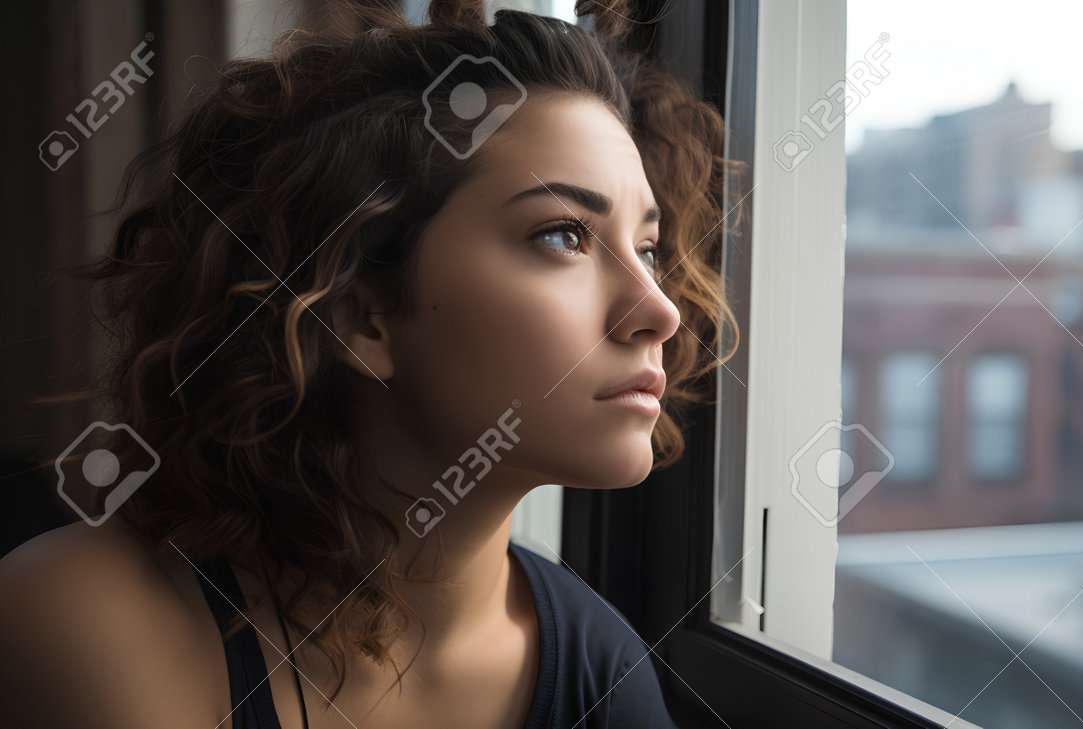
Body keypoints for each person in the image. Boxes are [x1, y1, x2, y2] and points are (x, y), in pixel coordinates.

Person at [0, 1, 742, 726]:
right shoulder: (83, 623)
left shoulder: (601, 672)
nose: (660, 309)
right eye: (562, 236)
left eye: (647, 248)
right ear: (358, 312)